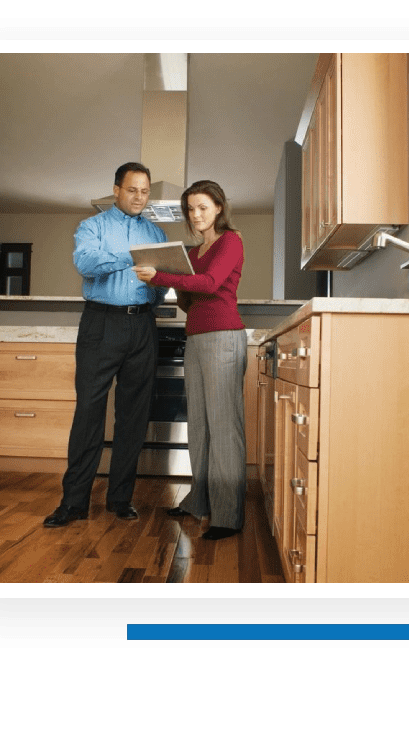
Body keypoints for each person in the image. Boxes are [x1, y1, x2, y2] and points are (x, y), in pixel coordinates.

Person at [44, 163, 167, 527]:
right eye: (132, 190)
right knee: (89, 413)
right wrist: (132, 255)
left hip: (143, 324)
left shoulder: (156, 231)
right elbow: (86, 263)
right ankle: (74, 502)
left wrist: (153, 295)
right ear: (116, 189)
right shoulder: (92, 227)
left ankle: (119, 499)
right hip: (102, 323)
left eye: (144, 191)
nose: (139, 198)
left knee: (133, 415)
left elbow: (161, 281)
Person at [134, 180, 246, 540]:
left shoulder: (232, 241)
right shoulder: (194, 253)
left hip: (224, 337)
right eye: (190, 209)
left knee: (224, 427)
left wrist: (161, 277)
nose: (195, 215)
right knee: (199, 425)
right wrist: (174, 283)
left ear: (218, 208)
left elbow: (212, 284)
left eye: (202, 207)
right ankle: (199, 502)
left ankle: (228, 516)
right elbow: (190, 301)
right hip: (196, 339)